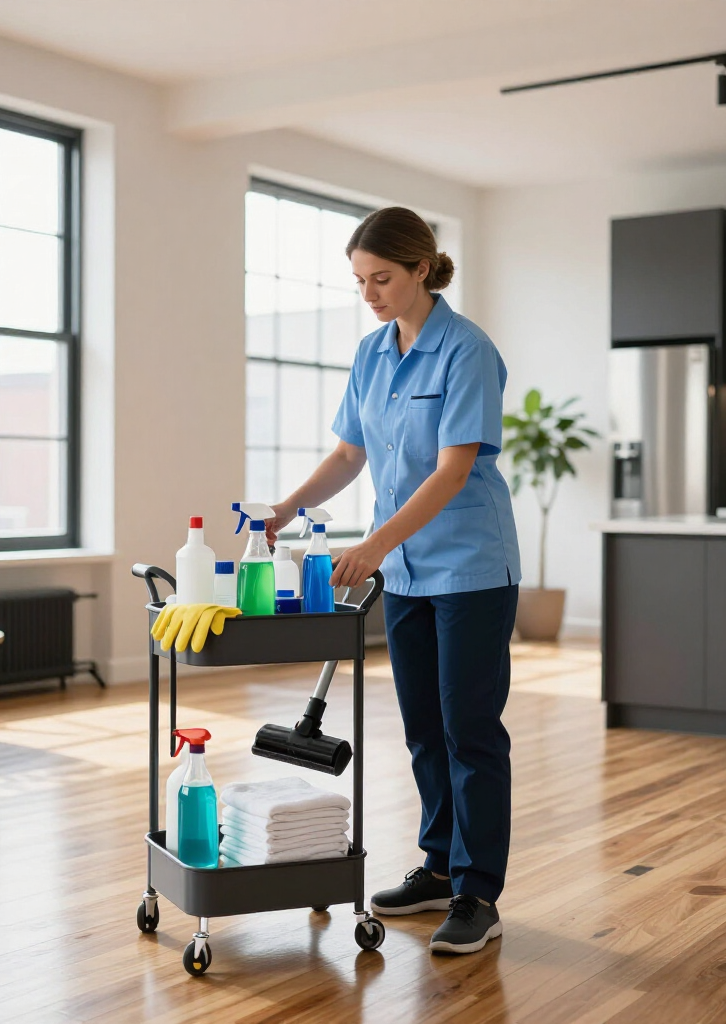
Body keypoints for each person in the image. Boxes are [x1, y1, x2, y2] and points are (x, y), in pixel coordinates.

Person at [267, 206, 520, 955]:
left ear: (421, 269)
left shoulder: (465, 350)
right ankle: (439, 867)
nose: (370, 293)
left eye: (382, 278)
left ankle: (478, 892)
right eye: (359, 281)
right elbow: (350, 456)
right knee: (423, 730)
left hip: (470, 567)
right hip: (406, 571)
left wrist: (373, 543)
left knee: (470, 729)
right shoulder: (373, 353)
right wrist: (286, 507)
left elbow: (452, 469)